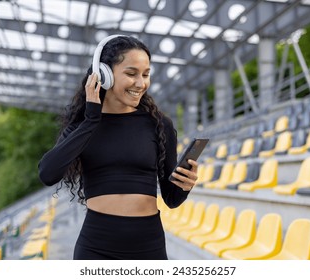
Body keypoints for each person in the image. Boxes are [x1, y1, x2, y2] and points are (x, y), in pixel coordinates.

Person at [38, 34, 199, 260]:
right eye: (131, 73)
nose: (141, 83)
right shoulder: (83, 127)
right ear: (104, 75)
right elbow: (47, 173)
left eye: (146, 74)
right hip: (96, 247)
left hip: (148, 246)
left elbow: (172, 199)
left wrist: (185, 184)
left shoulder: (159, 124)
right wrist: (91, 120)